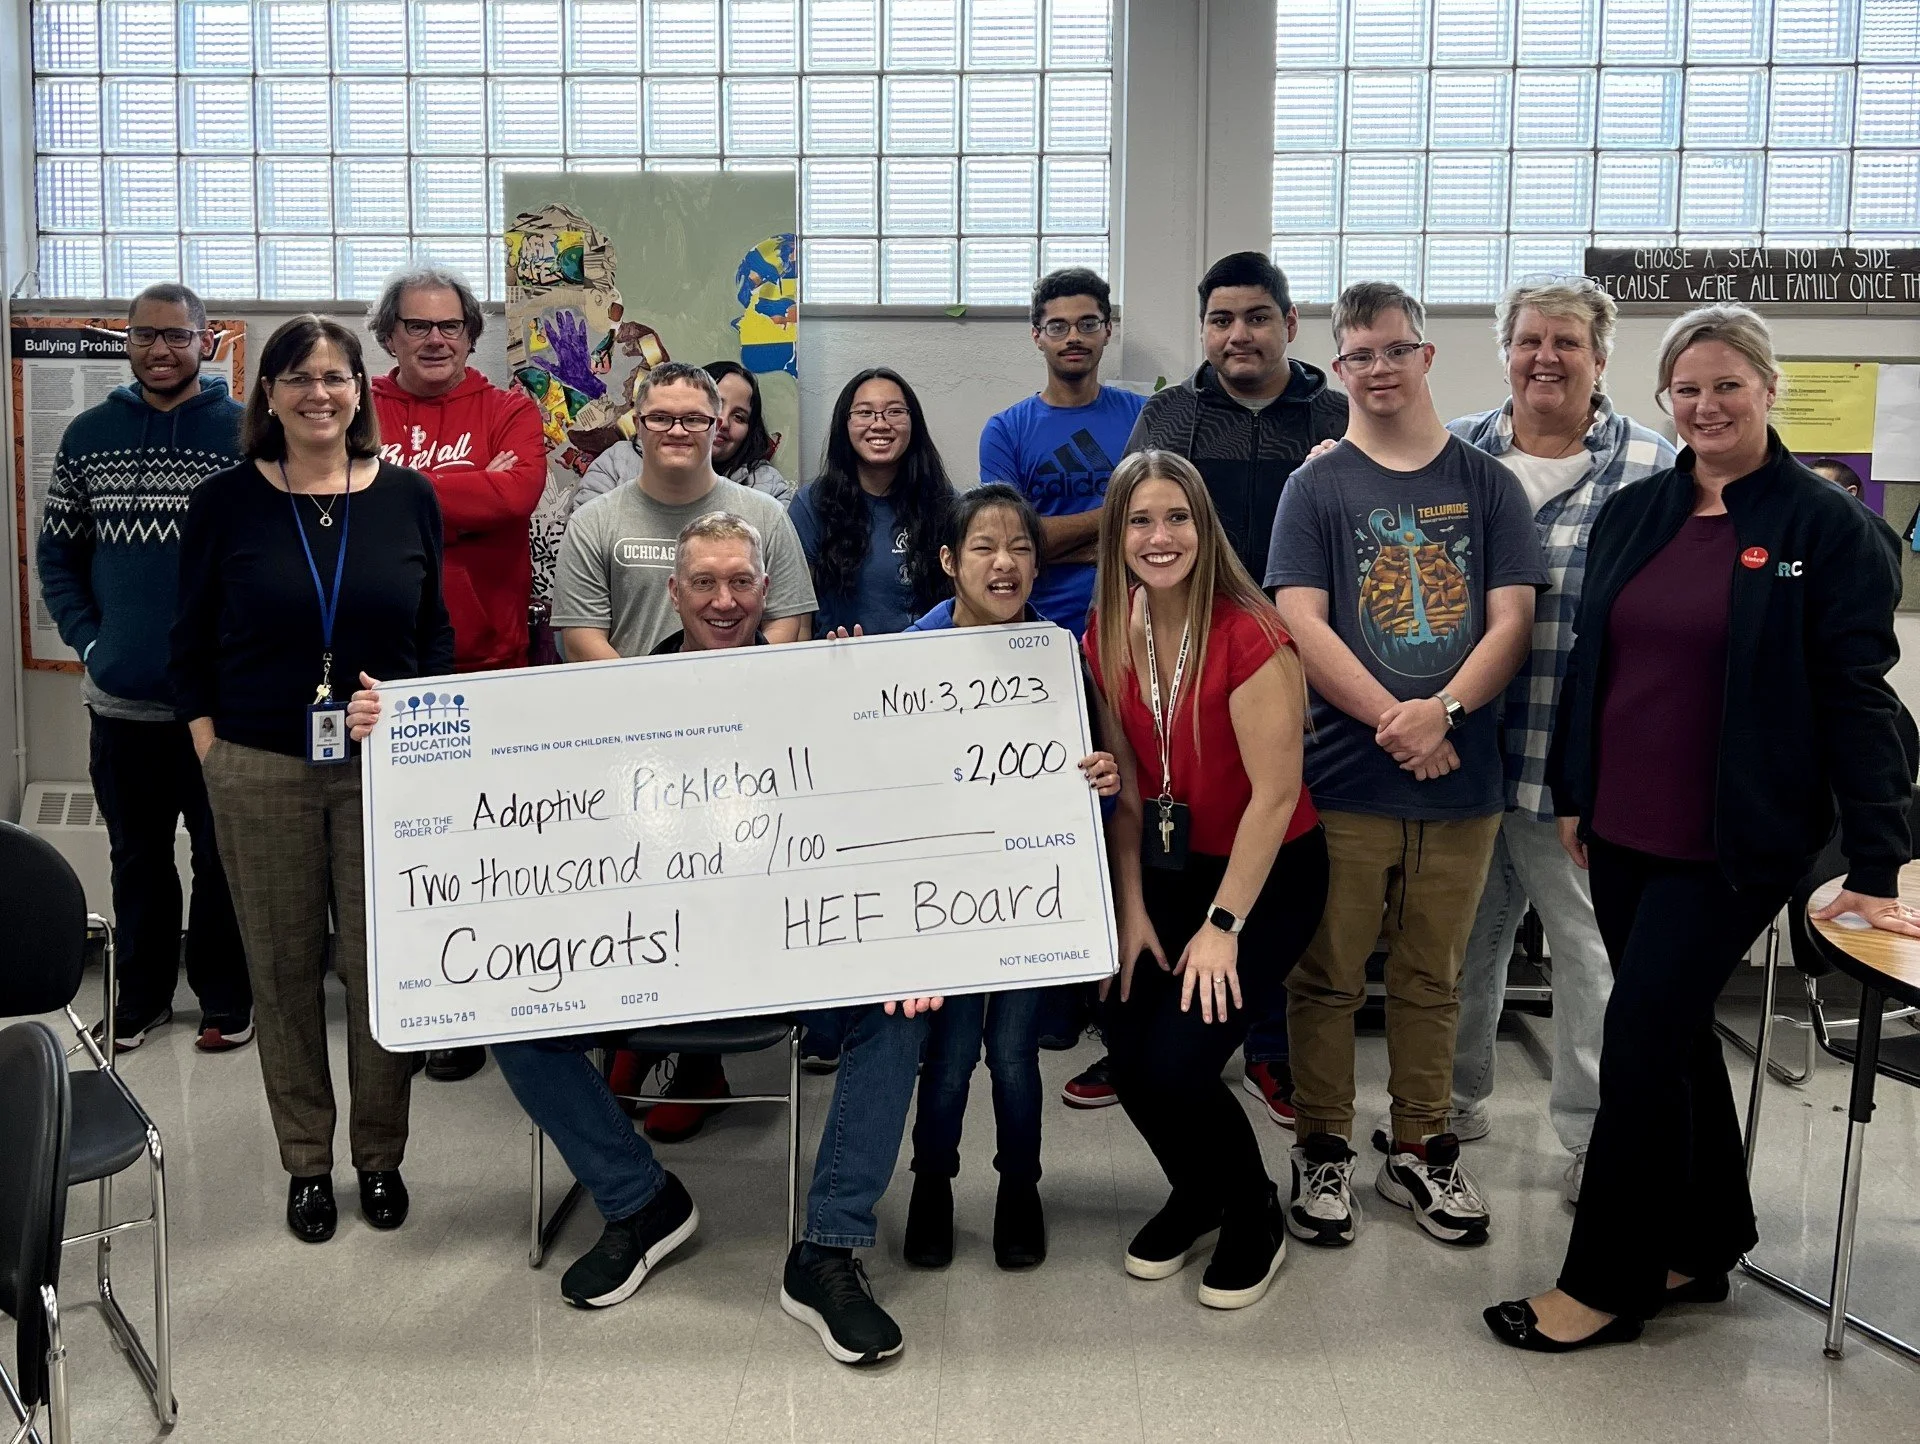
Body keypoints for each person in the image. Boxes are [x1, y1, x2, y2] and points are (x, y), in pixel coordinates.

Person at [348, 516, 940, 1366]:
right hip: (651, 953)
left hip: (793, 948)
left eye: (741, 582)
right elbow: (499, 766)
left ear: (767, 589)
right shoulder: (612, 695)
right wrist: (394, 730)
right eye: (705, 584)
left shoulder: (814, 681)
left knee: (902, 1007)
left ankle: (827, 1251)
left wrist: (870, 701)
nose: (725, 600)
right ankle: (640, 1199)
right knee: (499, 1006)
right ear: (674, 593)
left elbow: (894, 797)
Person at [1486, 305, 1916, 1351]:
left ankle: (1608, 1281)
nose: (1707, 405)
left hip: (1735, 839)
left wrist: (1877, 857)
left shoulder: (1825, 527)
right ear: (1662, 400)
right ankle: (1706, 1239)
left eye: (1728, 384)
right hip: (1624, 827)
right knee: (1668, 1039)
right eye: (1687, 389)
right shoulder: (1641, 510)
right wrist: (1576, 792)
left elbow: (1860, 697)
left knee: (1637, 1043)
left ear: (1768, 389)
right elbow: (1595, 661)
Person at [1267, 281, 1546, 1252]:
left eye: (1395, 350)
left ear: (1427, 356)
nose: (1379, 369)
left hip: (1461, 782)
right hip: (1346, 774)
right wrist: (1395, 715)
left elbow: (1512, 616)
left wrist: (1446, 711)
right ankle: (1322, 1147)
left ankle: (1422, 1147)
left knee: (1437, 976)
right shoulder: (1318, 485)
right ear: (1339, 368)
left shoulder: (1487, 485)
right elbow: (1299, 617)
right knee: (1329, 975)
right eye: (1359, 355)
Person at [172, 315, 453, 1244]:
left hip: (385, 771)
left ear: (361, 391)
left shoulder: (408, 499)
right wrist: (215, 749)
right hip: (257, 769)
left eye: (334, 377)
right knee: (284, 974)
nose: (317, 394)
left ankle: (380, 1155)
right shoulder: (224, 504)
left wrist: (409, 714)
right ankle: (306, 1162)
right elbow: (191, 645)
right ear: (269, 396)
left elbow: (432, 638)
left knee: (384, 973)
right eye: (296, 379)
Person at [1444, 279, 1676, 1204]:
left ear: (1601, 356)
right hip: (1460, 752)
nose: (1546, 356)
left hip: (1576, 765)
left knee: (1586, 952)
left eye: (1567, 342)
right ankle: (1453, 1103)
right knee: (1463, 940)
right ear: (1504, 349)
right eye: (1529, 339)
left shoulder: (1654, 467)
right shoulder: (1452, 453)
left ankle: (1588, 1133)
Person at [1083, 450, 1328, 1310]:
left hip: (1266, 876)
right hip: (1167, 864)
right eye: (1140, 521)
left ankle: (1253, 1210)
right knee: (1122, 1027)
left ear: (1203, 528)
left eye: (1176, 518)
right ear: (1117, 537)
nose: (1160, 537)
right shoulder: (1108, 629)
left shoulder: (1250, 635)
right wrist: (1132, 908)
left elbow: (1276, 795)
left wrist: (1221, 930)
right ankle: (1197, 1189)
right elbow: (1130, 787)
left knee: (1181, 1061)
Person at [551, 361, 816, 1139]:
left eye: (693, 419)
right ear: (637, 423)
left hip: (741, 760)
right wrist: (658, 712)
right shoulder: (597, 519)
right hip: (628, 756)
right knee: (635, 902)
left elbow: (789, 623)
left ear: (717, 427)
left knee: (720, 907)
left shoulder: (762, 514)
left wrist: (720, 712)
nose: (677, 430)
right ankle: (636, 1039)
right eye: (660, 416)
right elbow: (578, 636)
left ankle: (702, 1064)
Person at [1115, 250, 1348, 1123]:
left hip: (1296, 665)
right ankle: (1168, 1039)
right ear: (1204, 329)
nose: (1238, 334)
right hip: (1183, 660)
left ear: (1290, 324)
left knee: (1272, 839)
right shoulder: (1169, 413)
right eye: (1220, 319)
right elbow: (1139, 517)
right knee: (1194, 834)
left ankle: (1271, 1050)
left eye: (1256, 316)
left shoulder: (1335, 413)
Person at [897, 485, 1120, 1272]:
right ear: (950, 561)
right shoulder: (908, 655)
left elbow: (1098, 760)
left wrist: (1102, 772)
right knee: (949, 1058)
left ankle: (1019, 1188)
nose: (1005, 562)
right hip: (945, 903)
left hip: (1030, 897)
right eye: (985, 547)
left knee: (1017, 1054)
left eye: (1022, 547)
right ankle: (932, 1184)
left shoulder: (1060, 654)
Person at [36, 282, 254, 1053]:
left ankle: (228, 999)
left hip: (219, 708)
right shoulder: (88, 434)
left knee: (223, 859)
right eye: (144, 336)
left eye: (176, 336)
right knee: (137, 858)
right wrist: (93, 643)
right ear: (125, 342)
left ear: (208, 342)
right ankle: (142, 999)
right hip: (121, 700)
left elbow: (265, 563)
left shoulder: (242, 435)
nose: (160, 350)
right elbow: (56, 557)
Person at [368, 265, 547, 1085]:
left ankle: (474, 1008)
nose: (434, 339)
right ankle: (406, 1008)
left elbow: (515, 499)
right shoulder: (359, 405)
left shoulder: (510, 408)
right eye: (417, 326)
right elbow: (325, 495)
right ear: (391, 334)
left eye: (449, 326)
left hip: (487, 666)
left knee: (478, 852)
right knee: (388, 852)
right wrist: (457, 491)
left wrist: (390, 491)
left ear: (472, 334)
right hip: (378, 673)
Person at [977, 267, 1146, 1084]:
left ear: (1107, 330)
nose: (1073, 337)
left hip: (1133, 636)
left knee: (1127, 805)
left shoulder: (1144, 416)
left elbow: (1161, 533)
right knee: (1045, 808)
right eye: (1058, 325)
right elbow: (1022, 541)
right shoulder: (1006, 427)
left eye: (1088, 323)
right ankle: (1050, 986)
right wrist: (1113, 522)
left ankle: (1117, 996)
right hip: (1036, 647)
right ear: (1035, 335)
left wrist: (1069, 535)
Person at [789, 367, 954, 638]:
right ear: (845, 424)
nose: (880, 424)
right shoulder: (812, 505)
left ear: (914, 423)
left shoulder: (945, 504)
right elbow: (799, 621)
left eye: (894, 411)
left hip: (929, 667)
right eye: (864, 413)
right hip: (842, 666)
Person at [571, 359, 795, 513]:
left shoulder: (767, 487)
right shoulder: (616, 465)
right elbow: (585, 546)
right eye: (716, 406)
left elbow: (776, 563)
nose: (723, 422)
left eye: (739, 417)